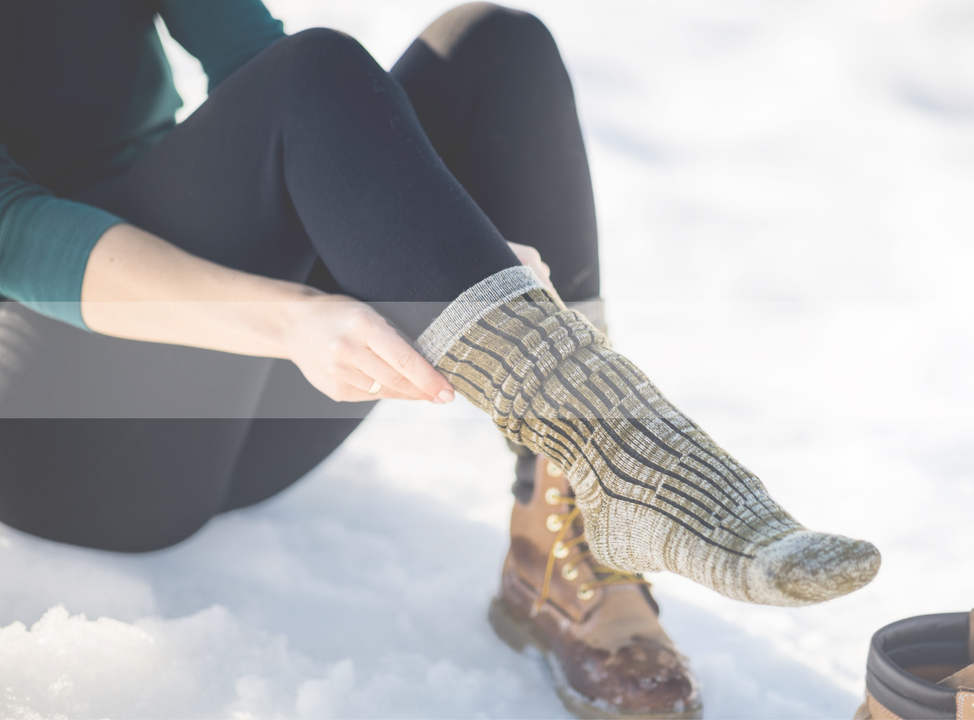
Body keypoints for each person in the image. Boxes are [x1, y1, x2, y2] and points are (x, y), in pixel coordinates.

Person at [0, 2, 880, 717]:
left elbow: (252, 63)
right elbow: (15, 232)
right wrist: (286, 318)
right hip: (75, 449)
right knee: (311, 72)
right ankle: (626, 454)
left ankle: (565, 531)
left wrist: (446, 233)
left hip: (251, 419)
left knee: (493, 48)